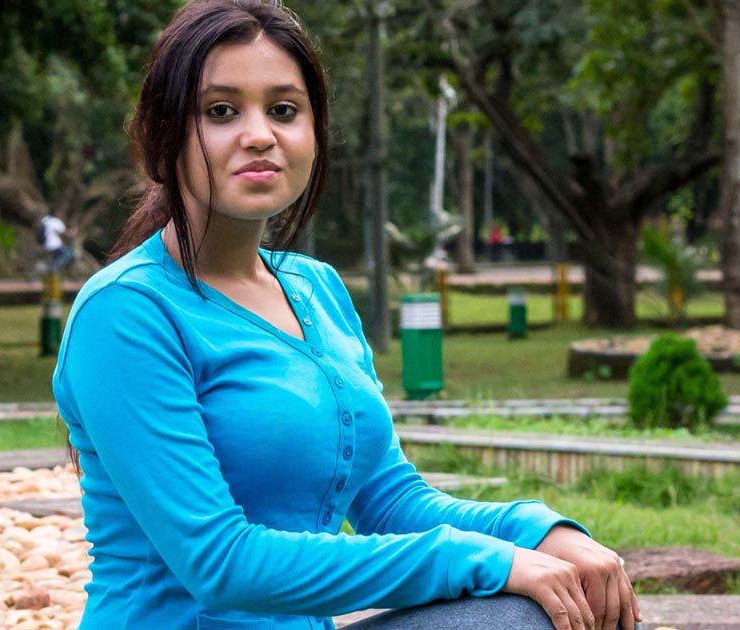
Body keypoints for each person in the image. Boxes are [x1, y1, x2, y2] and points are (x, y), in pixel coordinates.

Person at [51, 2, 642, 629]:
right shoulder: (127, 313)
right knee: (515, 613)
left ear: (313, 132)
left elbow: (390, 499)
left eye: (284, 110)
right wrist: (482, 559)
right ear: (163, 135)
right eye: (221, 111)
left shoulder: (316, 289)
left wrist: (540, 532)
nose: (259, 135)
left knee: (544, 602)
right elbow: (220, 563)